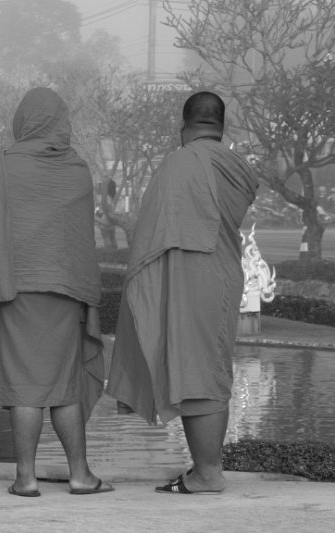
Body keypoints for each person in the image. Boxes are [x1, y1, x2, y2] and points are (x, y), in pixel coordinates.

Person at [0, 87, 111, 497]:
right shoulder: (78, 170)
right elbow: (77, 237)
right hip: (63, 290)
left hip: (13, 289)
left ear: (23, 121)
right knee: (65, 385)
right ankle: (80, 475)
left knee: (25, 386)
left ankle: (24, 479)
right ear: (60, 122)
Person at [107, 91, 258, 494]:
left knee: (196, 370)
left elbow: (154, 230)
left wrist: (139, 278)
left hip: (186, 278)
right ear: (222, 128)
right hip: (222, 277)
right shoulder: (238, 165)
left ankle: (208, 473)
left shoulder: (179, 162)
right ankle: (206, 468)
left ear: (183, 126)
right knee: (210, 367)